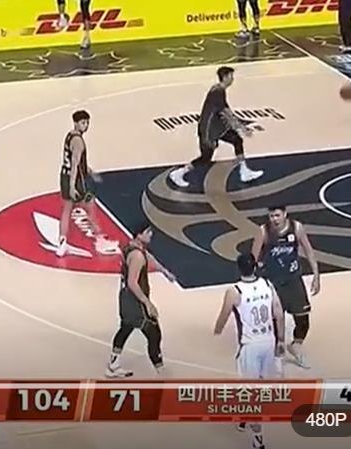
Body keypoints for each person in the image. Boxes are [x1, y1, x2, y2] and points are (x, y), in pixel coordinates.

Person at [214, 253, 285, 449]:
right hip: (268, 341)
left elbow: (224, 315)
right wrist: (281, 340)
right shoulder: (267, 285)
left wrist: (217, 330)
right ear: (255, 267)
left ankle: (257, 438)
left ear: (238, 269)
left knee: (250, 392)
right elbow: (279, 313)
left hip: (250, 346)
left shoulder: (234, 291)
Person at [168, 66, 264, 188]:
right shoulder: (217, 92)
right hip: (208, 130)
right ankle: (179, 173)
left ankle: (244, 171)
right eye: (231, 76)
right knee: (205, 158)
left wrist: (239, 126)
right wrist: (242, 128)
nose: (232, 79)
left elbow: (226, 111)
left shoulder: (219, 90)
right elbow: (226, 113)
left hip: (217, 127)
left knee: (237, 139)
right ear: (225, 77)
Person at [251, 206, 319, 369]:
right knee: (276, 318)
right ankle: (278, 350)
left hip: (293, 279)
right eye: (271, 216)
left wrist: (316, 275)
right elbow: (253, 258)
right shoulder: (263, 231)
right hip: (272, 281)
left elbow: (309, 251)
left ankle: (295, 345)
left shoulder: (296, 228)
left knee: (303, 320)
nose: (274, 219)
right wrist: (254, 282)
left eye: (277, 215)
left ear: (285, 214)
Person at [106, 223, 175, 378]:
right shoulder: (137, 256)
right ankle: (161, 371)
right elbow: (132, 282)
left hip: (125, 297)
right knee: (154, 333)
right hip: (135, 300)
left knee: (126, 328)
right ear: (139, 235)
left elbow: (148, 257)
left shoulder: (132, 247)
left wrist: (164, 271)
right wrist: (147, 303)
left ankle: (113, 365)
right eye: (147, 232)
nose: (151, 235)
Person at [57, 110, 118, 257]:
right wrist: (73, 186)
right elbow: (75, 164)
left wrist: (90, 171)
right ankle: (100, 241)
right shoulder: (78, 141)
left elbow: (75, 162)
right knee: (91, 208)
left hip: (64, 176)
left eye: (87, 123)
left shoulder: (69, 136)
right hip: (77, 180)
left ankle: (62, 243)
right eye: (83, 123)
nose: (86, 125)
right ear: (76, 123)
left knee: (67, 210)